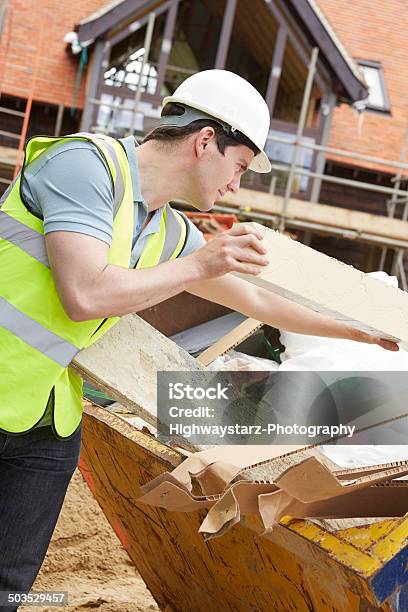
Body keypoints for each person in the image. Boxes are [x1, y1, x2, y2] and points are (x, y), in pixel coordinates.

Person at [0, 69, 397, 605]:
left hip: (47, 417)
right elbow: (85, 294)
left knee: (9, 587)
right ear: (205, 141)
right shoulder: (84, 165)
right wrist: (202, 264)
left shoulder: (167, 231)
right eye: (237, 167)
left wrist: (362, 331)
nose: (235, 185)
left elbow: (257, 300)